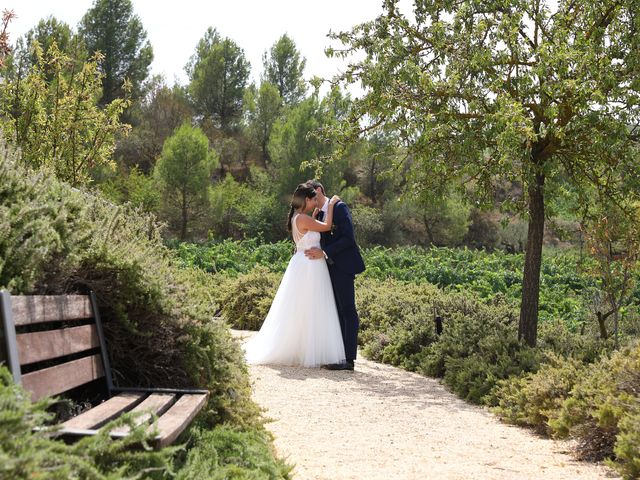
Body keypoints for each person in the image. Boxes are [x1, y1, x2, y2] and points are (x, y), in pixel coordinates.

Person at [243, 183, 346, 367]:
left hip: (302, 262)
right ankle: (309, 349)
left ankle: (302, 347)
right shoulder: (304, 219)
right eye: (314, 199)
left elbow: (311, 230)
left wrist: (314, 217)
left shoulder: (298, 218)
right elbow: (328, 225)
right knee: (311, 306)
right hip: (310, 266)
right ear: (306, 200)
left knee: (302, 307)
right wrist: (331, 205)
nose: (316, 203)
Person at [304, 180, 365, 371]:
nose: (311, 200)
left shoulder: (338, 207)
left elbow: (348, 237)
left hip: (344, 266)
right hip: (327, 268)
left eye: (312, 195)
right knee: (335, 311)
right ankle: (337, 355)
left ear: (320, 190)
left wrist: (325, 252)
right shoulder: (319, 214)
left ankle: (348, 359)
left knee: (348, 310)